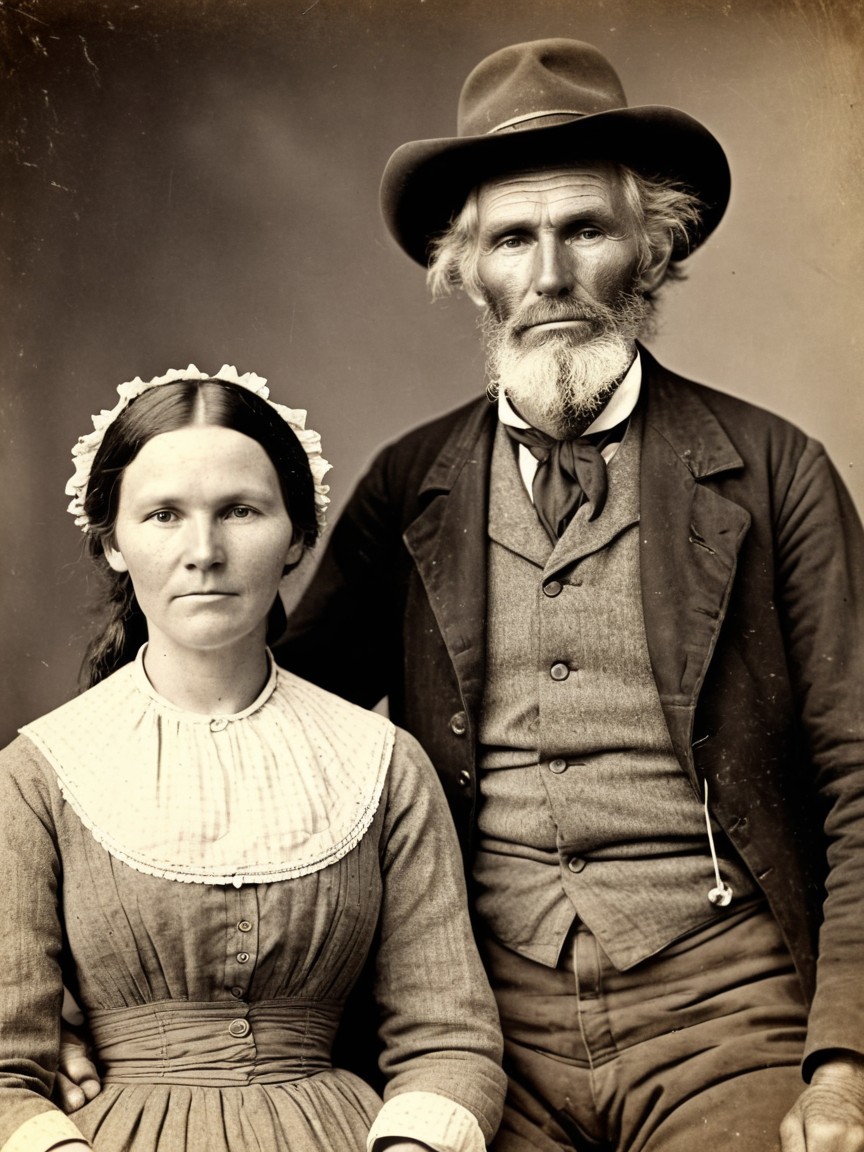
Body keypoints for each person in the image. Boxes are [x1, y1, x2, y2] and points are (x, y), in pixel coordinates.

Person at [270, 39, 864, 1152]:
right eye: (511, 238)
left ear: (652, 247)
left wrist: (842, 1066)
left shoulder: (777, 469)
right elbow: (273, 735)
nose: (549, 275)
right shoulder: (409, 488)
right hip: (482, 1030)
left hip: (728, 1017)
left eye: (585, 230)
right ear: (466, 269)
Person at [0, 364, 505, 1152]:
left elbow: (450, 1041)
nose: (204, 551)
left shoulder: (381, 763)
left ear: (298, 534)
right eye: (164, 515)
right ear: (111, 544)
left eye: (239, 510)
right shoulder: (42, 773)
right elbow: (4, 1072)